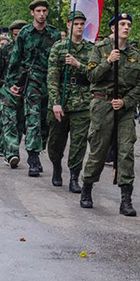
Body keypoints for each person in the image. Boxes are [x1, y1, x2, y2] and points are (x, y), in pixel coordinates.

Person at [79, 13, 140, 217]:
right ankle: (87, 188)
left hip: (124, 108)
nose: (126, 27)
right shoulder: (100, 49)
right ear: (113, 29)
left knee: (126, 151)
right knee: (98, 149)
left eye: (128, 24)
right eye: (122, 24)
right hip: (102, 104)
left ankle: (126, 199)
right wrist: (108, 61)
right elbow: (91, 76)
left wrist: (126, 101)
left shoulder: (136, 54)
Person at [2, 0, 59, 175]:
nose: (41, 14)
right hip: (31, 80)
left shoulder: (54, 34)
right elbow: (15, 59)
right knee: (32, 118)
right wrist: (11, 83)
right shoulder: (25, 34)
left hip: (49, 80)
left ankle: (37, 148)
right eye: (38, 11)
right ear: (32, 13)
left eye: (44, 11)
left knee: (45, 121)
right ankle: (33, 157)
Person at [47, 11, 92, 192]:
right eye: (76, 23)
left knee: (79, 142)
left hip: (82, 102)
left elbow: (95, 74)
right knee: (56, 140)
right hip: (62, 100)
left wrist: (77, 65)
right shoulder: (59, 47)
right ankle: (57, 166)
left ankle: (74, 176)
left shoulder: (90, 49)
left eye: (82, 24)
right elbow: (52, 77)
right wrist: (55, 102)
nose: (79, 27)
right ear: (69, 25)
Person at [0, 20, 27, 157]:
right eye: (15, 35)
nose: (18, 38)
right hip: (7, 91)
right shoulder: (5, 50)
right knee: (9, 122)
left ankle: (10, 147)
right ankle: (12, 154)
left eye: (20, 34)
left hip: (26, 92)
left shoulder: (31, 51)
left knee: (20, 125)